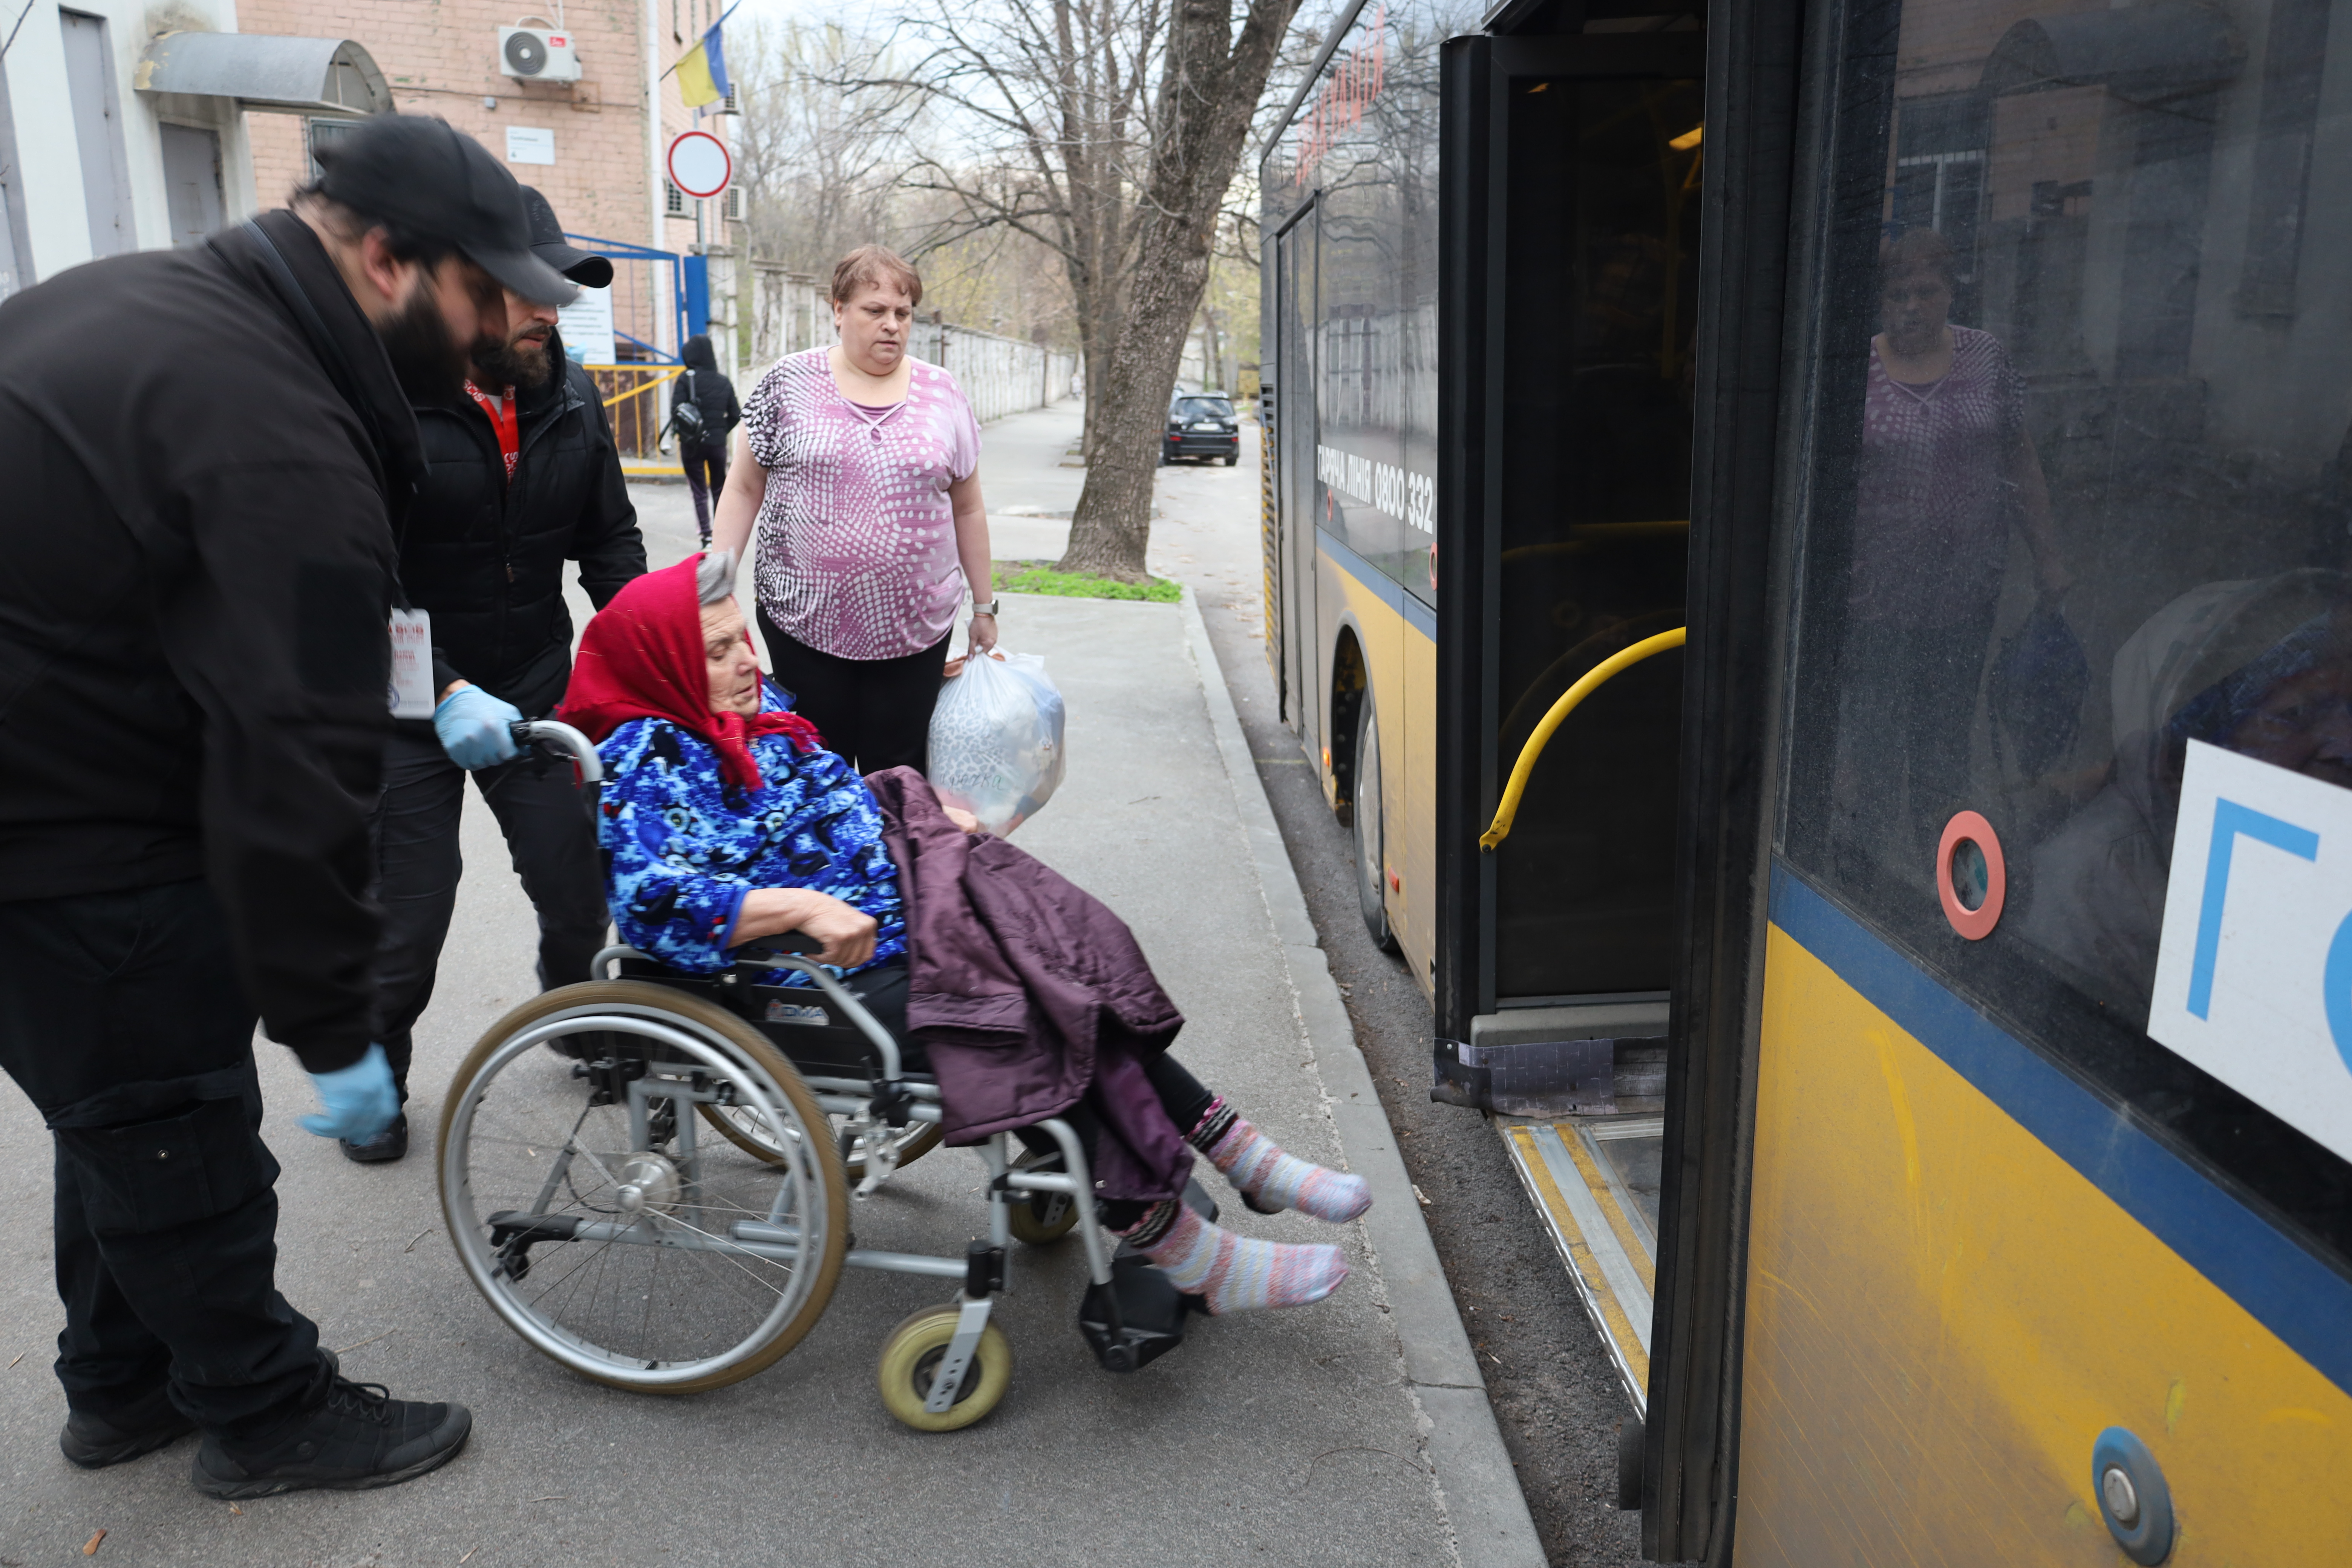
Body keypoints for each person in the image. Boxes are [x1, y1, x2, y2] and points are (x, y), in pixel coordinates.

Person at [0, 115, 572, 1496]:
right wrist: (335, 1022)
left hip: (67, 753)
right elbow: (293, 769)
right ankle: (267, 1413)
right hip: (64, 818)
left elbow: (248, 609)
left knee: (116, 1108)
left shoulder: (170, 306)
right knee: (173, 1115)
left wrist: (423, 696)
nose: (504, 329)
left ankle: (121, 1383)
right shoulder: (276, 424)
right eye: (484, 294)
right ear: (388, 260)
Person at [559, 558, 1367, 1315]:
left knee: (1067, 950)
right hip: (802, 973)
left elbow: (828, 789)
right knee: (1024, 1009)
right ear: (665, 664)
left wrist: (905, 802)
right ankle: (1187, 1246)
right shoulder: (650, 752)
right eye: (719, 649)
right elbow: (651, 898)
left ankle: (1237, 1149)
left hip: (903, 900)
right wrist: (800, 907)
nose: (747, 659)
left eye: (743, 636)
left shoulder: (755, 713)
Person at [357, 185, 646, 1163]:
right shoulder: (388, 400)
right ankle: (378, 1073)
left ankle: (582, 1021)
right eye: (531, 292)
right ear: (471, 290)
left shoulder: (572, 396)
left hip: (533, 684)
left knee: (579, 887)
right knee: (410, 914)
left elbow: (608, 541)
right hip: (408, 706)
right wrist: (438, 691)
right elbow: (362, 576)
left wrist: (663, 653)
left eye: (559, 293)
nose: (549, 312)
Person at [706, 245, 998, 773]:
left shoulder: (943, 392)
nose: (892, 325)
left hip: (916, 630)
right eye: (875, 310)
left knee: (899, 776)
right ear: (838, 309)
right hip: (804, 625)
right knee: (819, 771)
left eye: (903, 313)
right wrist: (713, 586)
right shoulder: (788, 383)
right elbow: (744, 488)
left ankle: (892, 858)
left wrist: (983, 608)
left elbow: (969, 508)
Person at [1836, 226, 2070, 873]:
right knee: (1878, 735)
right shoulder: (1859, 370)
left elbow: (2019, 455)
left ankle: (1936, 870)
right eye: (1897, 294)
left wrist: (2048, 556)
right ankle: (1864, 874)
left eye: (1926, 291)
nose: (1910, 305)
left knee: (1943, 736)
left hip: (1965, 591)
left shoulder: (1986, 358)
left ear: (1950, 291)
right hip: (1875, 595)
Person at [2021, 570, 2352, 1021]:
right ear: (2197, 756)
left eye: (2346, 706)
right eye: (2293, 714)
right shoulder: (2088, 894)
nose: (2343, 741)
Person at [671, 333, 742, 546]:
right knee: (720, 488)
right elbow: (736, 414)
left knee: (699, 490)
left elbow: (676, 411)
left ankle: (707, 536)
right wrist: (720, 431)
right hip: (717, 444)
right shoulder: (723, 381)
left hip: (691, 445)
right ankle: (722, 534)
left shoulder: (686, 379)